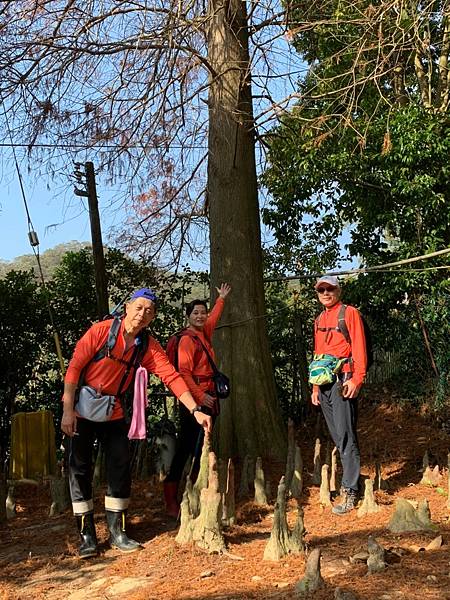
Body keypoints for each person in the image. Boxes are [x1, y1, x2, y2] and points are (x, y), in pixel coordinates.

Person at [61, 288, 212, 558]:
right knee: (79, 469)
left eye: (149, 311)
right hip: (81, 410)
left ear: (152, 318)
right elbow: (74, 369)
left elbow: (172, 376)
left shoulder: (147, 345)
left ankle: (118, 531)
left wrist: (195, 410)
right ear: (127, 308)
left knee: (119, 465)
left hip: (114, 410)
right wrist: (67, 410)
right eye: (139, 308)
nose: (142, 314)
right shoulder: (101, 331)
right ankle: (86, 536)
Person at [163, 283, 231, 517]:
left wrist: (221, 299)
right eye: (196, 313)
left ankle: (195, 492)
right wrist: (201, 397)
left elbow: (213, 317)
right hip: (193, 400)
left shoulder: (204, 333)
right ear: (188, 317)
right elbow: (183, 374)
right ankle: (172, 497)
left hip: (209, 398)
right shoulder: (187, 341)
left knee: (203, 446)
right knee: (186, 447)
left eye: (203, 312)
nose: (201, 316)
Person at [311, 275, 367, 515]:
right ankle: (352, 479)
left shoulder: (349, 313)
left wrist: (357, 378)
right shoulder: (319, 319)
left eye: (330, 289)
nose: (325, 293)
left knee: (345, 435)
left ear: (338, 290)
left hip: (343, 381)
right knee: (337, 435)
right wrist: (314, 387)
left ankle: (350, 490)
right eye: (321, 290)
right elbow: (317, 354)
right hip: (323, 384)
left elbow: (359, 347)